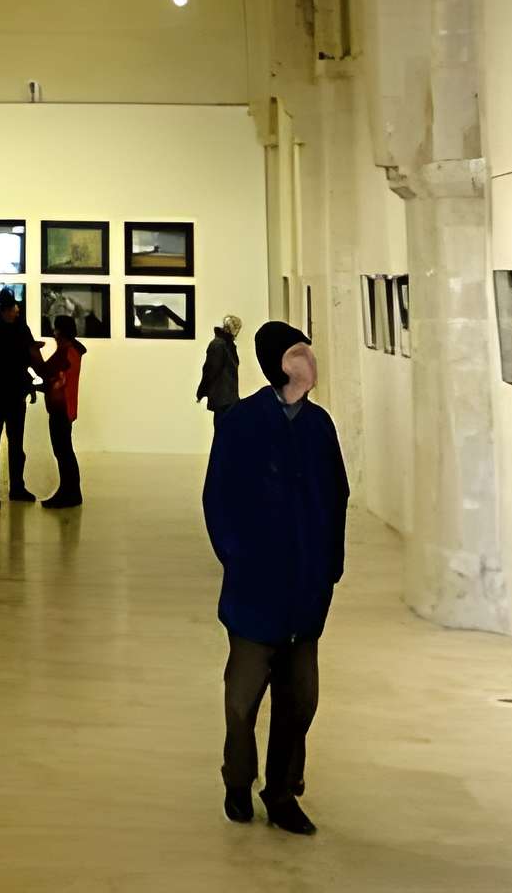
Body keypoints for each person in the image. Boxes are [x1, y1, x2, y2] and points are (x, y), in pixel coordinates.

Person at [201, 319, 348, 835]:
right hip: (254, 592)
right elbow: (217, 499)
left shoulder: (319, 426)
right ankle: (238, 781)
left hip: (306, 594)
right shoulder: (242, 423)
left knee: (299, 701)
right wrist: (239, 559)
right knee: (242, 701)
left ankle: (283, 792)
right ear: (277, 365)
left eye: (309, 351)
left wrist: (329, 567)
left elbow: (338, 497)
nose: (310, 361)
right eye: (299, 353)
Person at [0, 288, 43, 502]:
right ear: (5, 310)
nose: (17, 309)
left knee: (6, 444)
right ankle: (6, 487)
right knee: (0, 443)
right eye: (14, 307)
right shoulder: (16, 330)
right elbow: (29, 359)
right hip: (3, 395)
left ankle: (2, 487)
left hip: (2, 395)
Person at [39, 314, 85, 508]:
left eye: (56, 329)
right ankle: (70, 491)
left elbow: (47, 371)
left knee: (63, 451)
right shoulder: (72, 350)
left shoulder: (66, 351)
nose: (54, 333)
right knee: (65, 451)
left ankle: (69, 493)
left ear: (62, 331)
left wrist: (33, 352)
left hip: (61, 408)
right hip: (65, 407)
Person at [196, 313, 243, 419]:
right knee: (224, 430)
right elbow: (210, 371)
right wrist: (201, 392)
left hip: (226, 399)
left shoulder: (226, 345)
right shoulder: (220, 345)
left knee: (224, 430)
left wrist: (201, 392)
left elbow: (209, 370)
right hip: (223, 400)